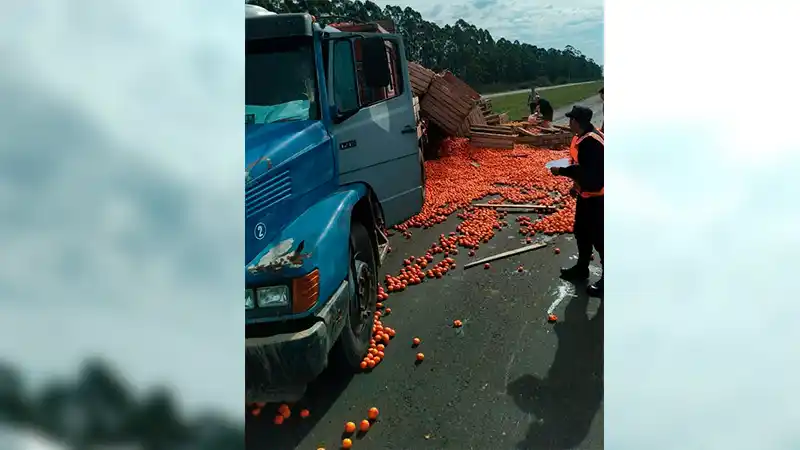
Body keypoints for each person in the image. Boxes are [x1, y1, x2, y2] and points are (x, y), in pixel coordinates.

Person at [550, 105, 604, 296]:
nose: (568, 122)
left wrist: (561, 171)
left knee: (600, 238)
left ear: (576, 122)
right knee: (581, 232)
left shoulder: (592, 142)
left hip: (599, 198)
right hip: (586, 195)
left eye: (570, 119)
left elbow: (588, 173)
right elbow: (579, 166)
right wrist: (575, 186)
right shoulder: (580, 138)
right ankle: (582, 268)